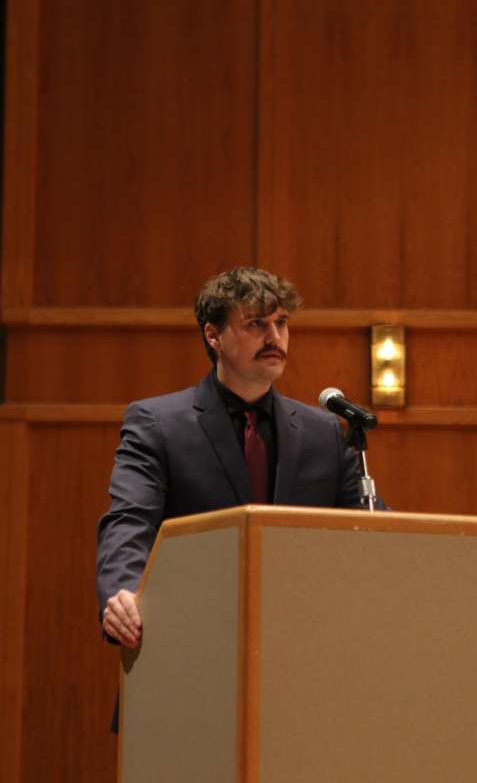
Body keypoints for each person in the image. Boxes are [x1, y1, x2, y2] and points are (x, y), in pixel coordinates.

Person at [97, 266, 387, 650]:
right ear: (213, 335)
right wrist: (125, 592)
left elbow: (372, 536)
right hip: (191, 641)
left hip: (302, 646)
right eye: (256, 324)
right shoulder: (158, 424)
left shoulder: (325, 434)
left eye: (281, 323)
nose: (275, 337)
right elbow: (129, 522)